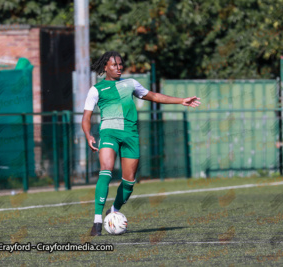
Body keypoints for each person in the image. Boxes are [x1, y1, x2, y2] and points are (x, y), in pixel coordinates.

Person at [82, 51, 201, 236]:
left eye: (121, 64)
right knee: (106, 170)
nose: (119, 68)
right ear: (105, 67)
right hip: (109, 133)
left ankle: (113, 210)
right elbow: (86, 118)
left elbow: (153, 96)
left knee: (129, 182)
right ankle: (97, 222)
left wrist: (181, 101)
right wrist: (89, 134)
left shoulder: (130, 84)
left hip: (131, 135)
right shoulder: (96, 89)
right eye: (114, 65)